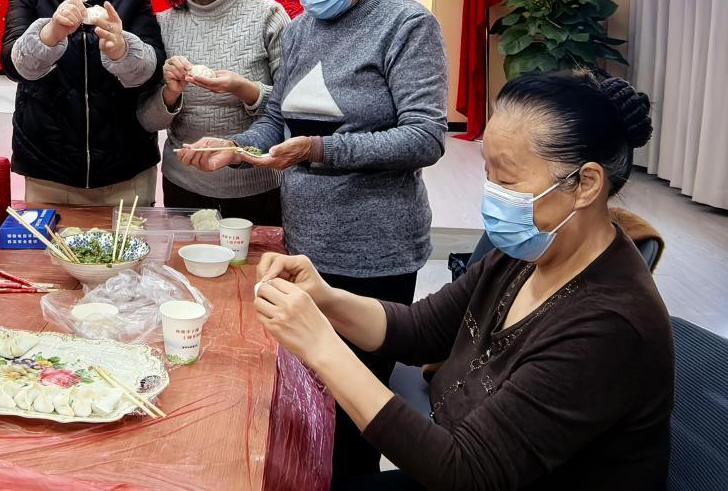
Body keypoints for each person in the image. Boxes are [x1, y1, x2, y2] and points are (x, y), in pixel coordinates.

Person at [254, 72, 672, 491]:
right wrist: (325, 299)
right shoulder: (530, 252)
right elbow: (421, 330)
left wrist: (321, 346)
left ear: (586, 184)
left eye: (507, 181)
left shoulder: (610, 326)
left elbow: (466, 474)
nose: (491, 194)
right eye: (488, 174)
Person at [178, 0, 448, 478]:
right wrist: (238, 148)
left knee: (357, 411)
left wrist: (321, 149)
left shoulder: (405, 25)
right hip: (305, 244)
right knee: (307, 399)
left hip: (374, 252)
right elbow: (279, 117)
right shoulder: (301, 30)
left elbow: (425, 136)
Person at [0, 0, 167, 205]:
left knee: (131, 240)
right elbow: (13, 65)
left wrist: (122, 51)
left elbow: (153, 70)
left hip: (126, 171)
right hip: (48, 171)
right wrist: (51, 33)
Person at [138, 0, 289, 224]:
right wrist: (170, 94)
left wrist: (243, 89)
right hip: (185, 186)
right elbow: (148, 121)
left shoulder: (268, 14)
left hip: (259, 186)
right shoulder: (161, 25)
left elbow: (291, 108)